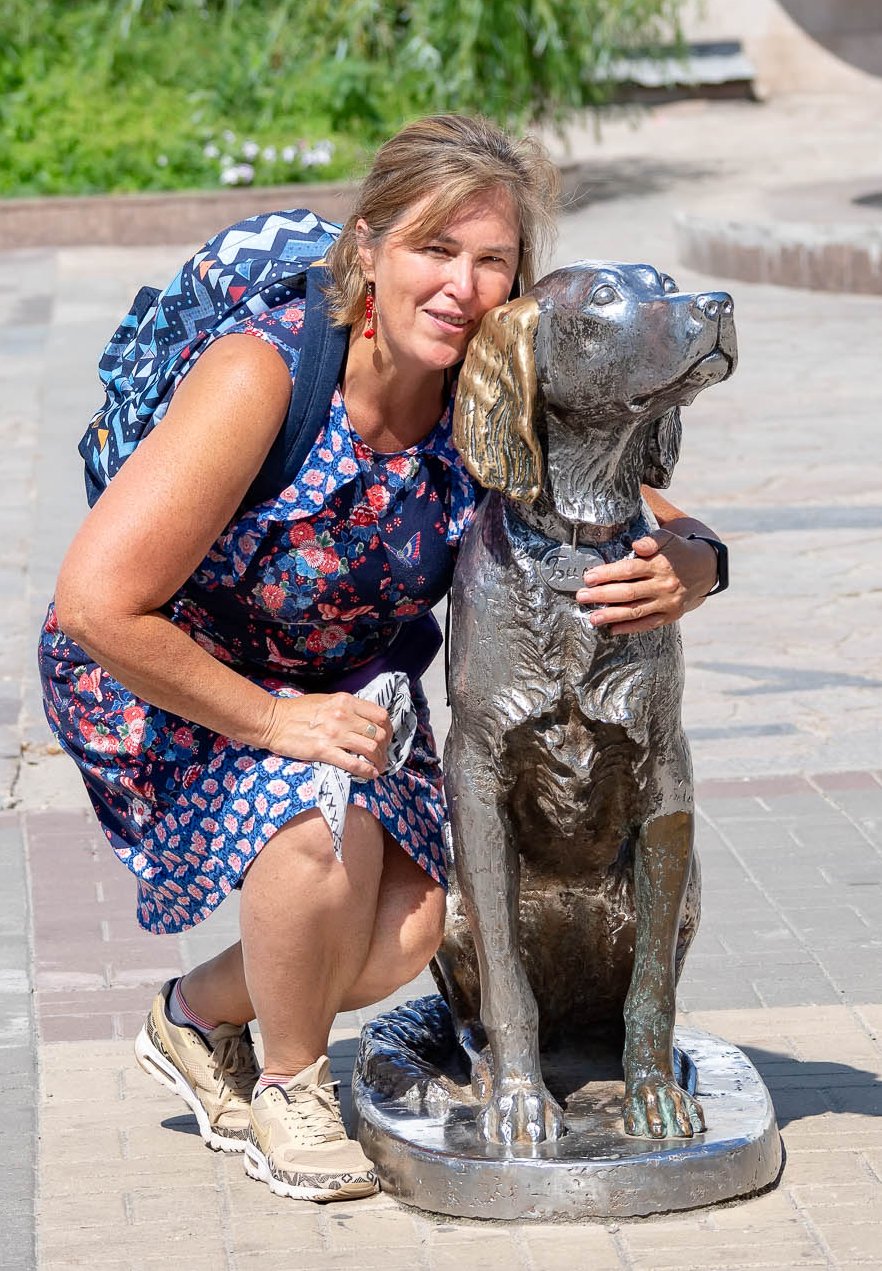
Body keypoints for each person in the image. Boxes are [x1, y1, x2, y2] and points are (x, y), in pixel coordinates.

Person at [38, 114, 729, 1202]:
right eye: (433, 249)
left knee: (409, 932)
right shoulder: (266, 374)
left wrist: (697, 565)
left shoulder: (477, 394)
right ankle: (288, 1091)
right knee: (315, 826)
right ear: (369, 252)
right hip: (179, 677)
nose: (461, 284)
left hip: (341, 700)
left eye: (491, 260)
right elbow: (95, 605)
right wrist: (272, 722)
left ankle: (200, 1015)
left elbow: (656, 519)